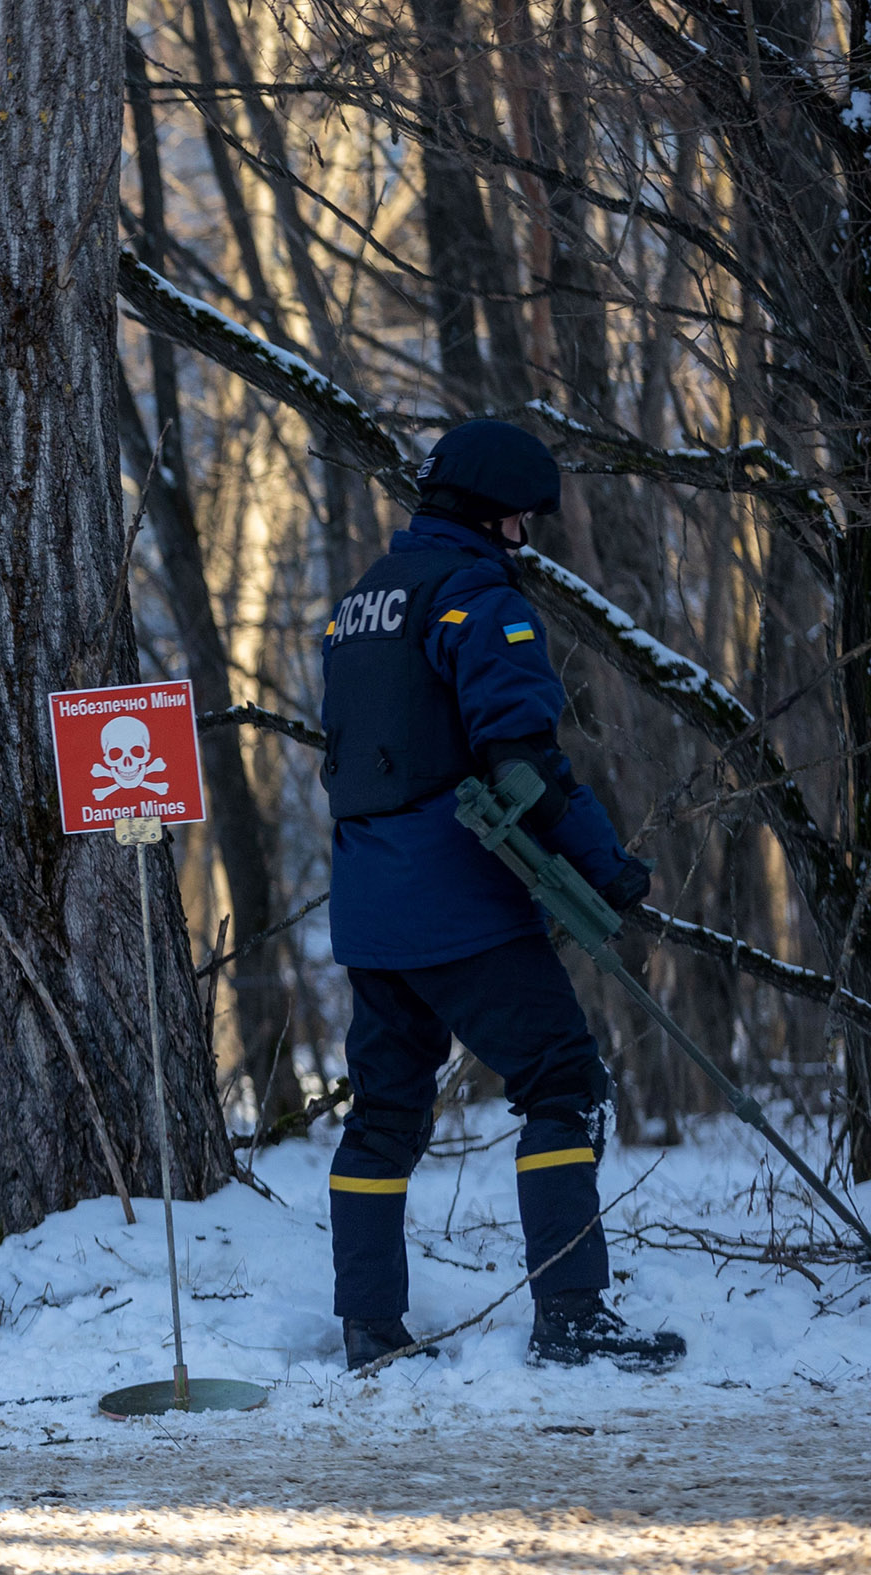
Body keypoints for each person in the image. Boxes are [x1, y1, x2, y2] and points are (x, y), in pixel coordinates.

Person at [318, 420, 685, 1372]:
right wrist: (608, 869)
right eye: (524, 515)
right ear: (493, 510)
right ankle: (570, 1312)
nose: (528, 532)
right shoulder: (479, 598)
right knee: (562, 1081)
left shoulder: (361, 603)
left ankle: (369, 1327)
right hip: (460, 905)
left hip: (367, 907)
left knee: (384, 1113)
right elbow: (523, 761)